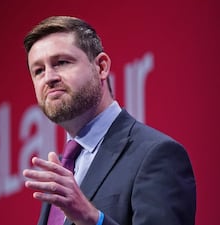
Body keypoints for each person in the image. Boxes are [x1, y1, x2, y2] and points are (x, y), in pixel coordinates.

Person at [22, 16, 196, 225]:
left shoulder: (155, 154)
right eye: (38, 70)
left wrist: (93, 219)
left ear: (101, 67)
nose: (49, 78)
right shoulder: (62, 169)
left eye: (62, 62)